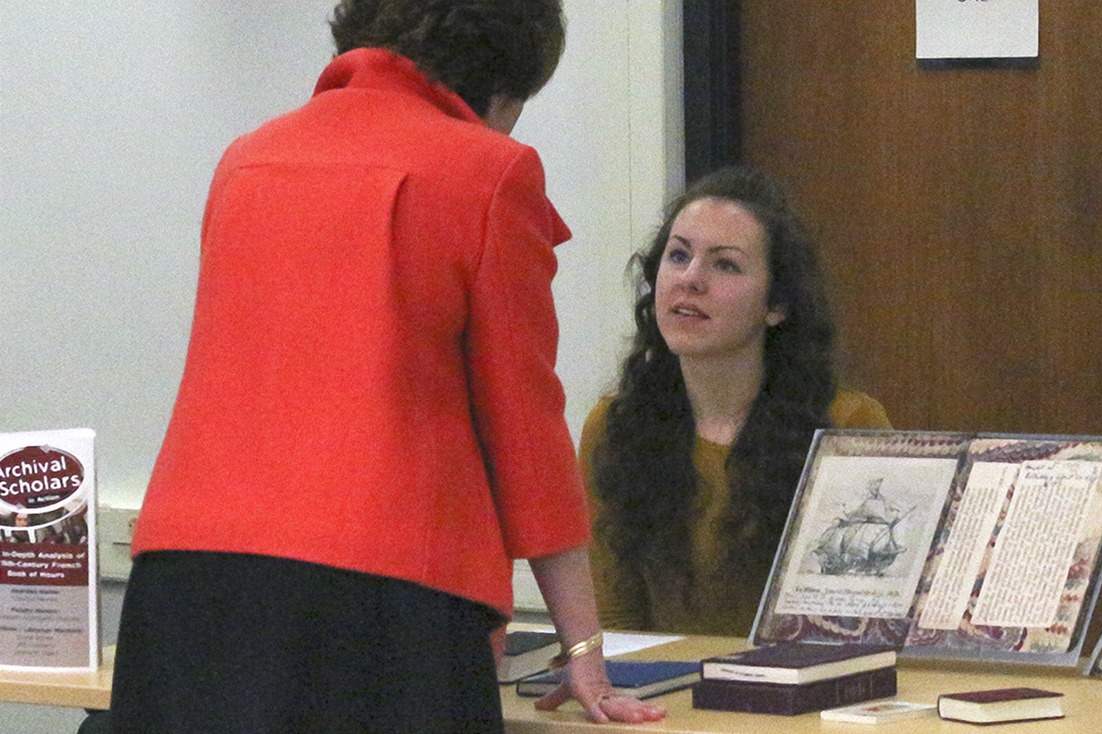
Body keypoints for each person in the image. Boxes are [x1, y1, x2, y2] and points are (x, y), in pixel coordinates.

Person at [108, 1, 665, 731]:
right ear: (503, 85)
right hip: (378, 601)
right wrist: (584, 648)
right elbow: (526, 433)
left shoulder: (245, 159)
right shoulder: (490, 170)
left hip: (183, 587)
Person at [582, 167, 892, 636]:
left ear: (776, 305)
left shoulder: (846, 424)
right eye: (678, 255)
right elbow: (615, 620)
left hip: (799, 691)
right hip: (664, 696)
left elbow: (865, 621)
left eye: (724, 264)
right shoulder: (614, 425)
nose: (690, 279)